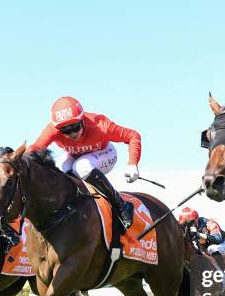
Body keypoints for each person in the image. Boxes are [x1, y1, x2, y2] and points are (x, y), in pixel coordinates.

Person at [25, 97, 142, 229]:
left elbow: (133, 135)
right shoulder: (52, 130)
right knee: (60, 168)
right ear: (58, 129)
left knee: (81, 166)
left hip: (105, 153)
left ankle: (121, 205)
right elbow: (34, 149)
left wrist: (132, 164)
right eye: (66, 131)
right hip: (76, 157)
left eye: (75, 127)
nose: (72, 134)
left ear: (82, 120)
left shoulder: (100, 125)